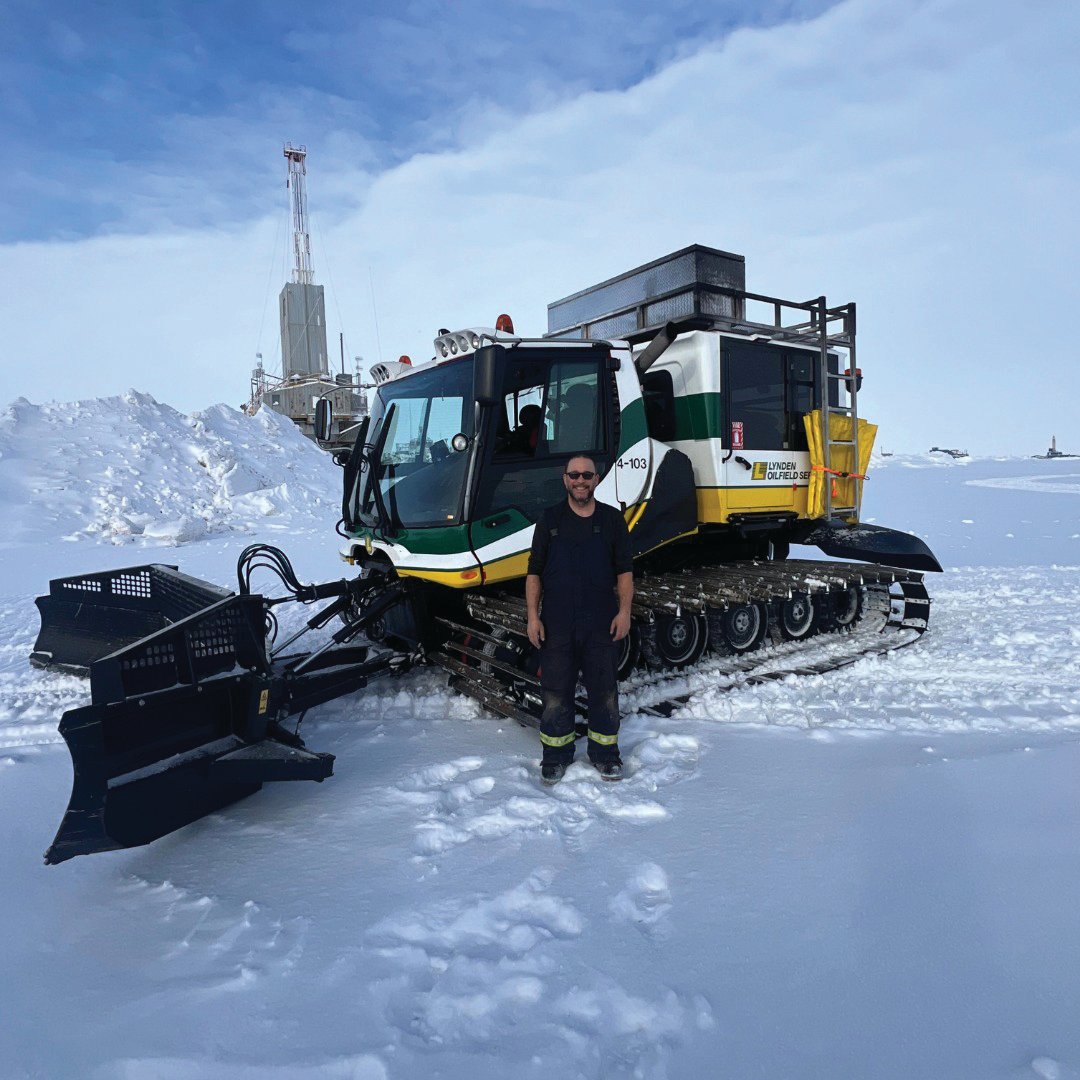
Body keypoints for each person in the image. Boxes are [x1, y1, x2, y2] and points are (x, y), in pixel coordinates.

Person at [525, 454, 633, 784]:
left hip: (601, 621)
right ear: (565, 480)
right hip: (557, 621)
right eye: (574, 475)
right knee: (556, 691)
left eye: (587, 475)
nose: (581, 480)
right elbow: (534, 574)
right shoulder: (550, 521)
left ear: (596, 479)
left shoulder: (613, 521)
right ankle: (556, 755)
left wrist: (625, 612)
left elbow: (625, 573)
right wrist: (532, 617)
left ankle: (605, 755)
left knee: (604, 690)